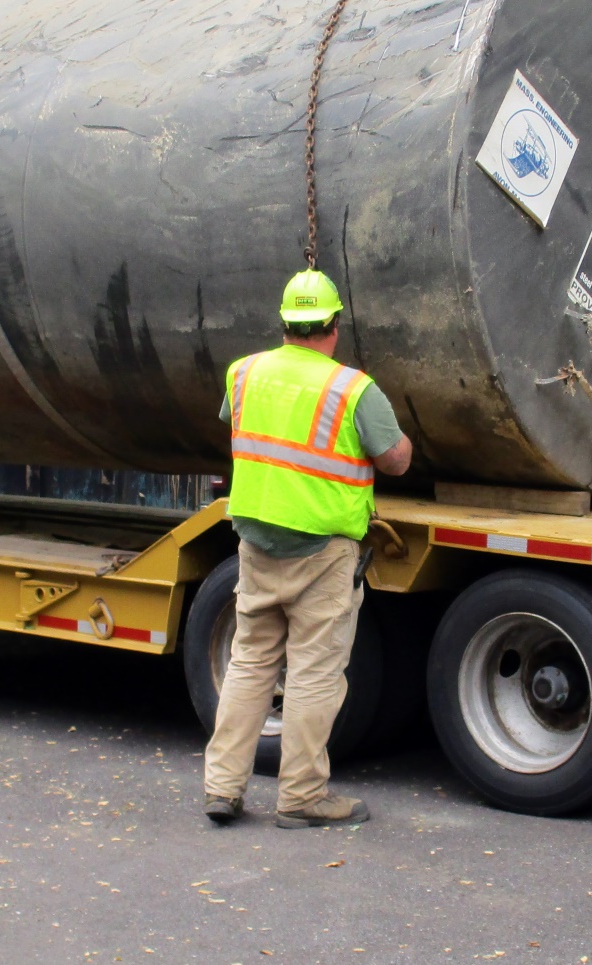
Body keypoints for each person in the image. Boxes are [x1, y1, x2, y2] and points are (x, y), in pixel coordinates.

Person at [202, 269, 413, 829]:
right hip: (322, 548)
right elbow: (395, 459)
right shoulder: (353, 389)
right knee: (315, 672)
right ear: (334, 326)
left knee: (250, 661)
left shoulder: (243, 373)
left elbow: (235, 420)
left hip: (256, 539)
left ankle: (222, 788)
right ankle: (300, 797)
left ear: (285, 324)